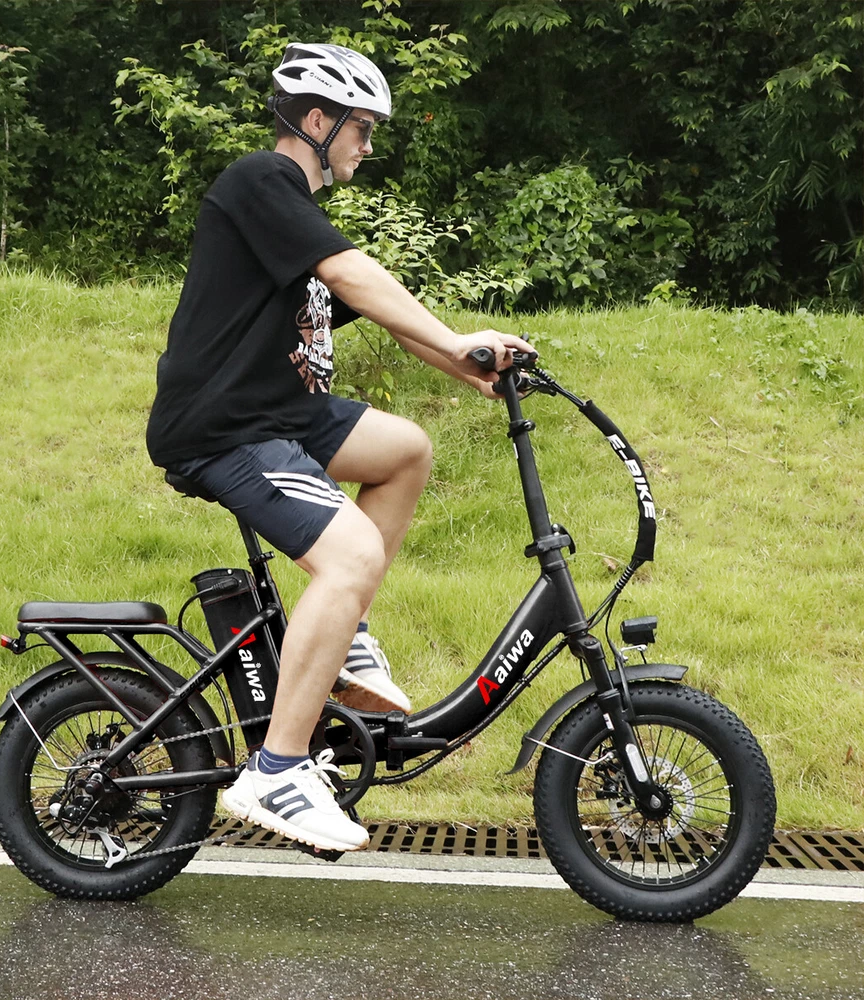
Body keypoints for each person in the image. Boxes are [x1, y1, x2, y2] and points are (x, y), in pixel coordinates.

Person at [145, 42, 532, 854]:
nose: (368, 144)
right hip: (226, 426)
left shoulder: (294, 221)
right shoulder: (261, 180)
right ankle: (278, 769)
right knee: (351, 554)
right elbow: (356, 277)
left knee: (405, 450)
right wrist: (456, 343)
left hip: (282, 414)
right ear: (316, 121)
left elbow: (379, 309)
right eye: (362, 127)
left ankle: (346, 639)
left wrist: (468, 363)